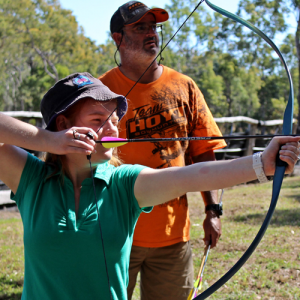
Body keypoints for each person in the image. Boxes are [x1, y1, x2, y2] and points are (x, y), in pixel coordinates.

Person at [0, 72, 299, 300]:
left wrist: (262, 163)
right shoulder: (33, 179)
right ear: (64, 124)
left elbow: (194, 176)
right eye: (98, 119)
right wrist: (46, 140)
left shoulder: (124, 182)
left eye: (114, 119)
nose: (112, 128)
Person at [99, 1, 227, 299]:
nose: (151, 34)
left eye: (154, 27)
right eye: (140, 27)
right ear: (118, 38)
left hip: (172, 238)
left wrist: (212, 210)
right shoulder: (100, 91)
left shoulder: (184, 86)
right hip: (115, 235)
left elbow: (203, 153)